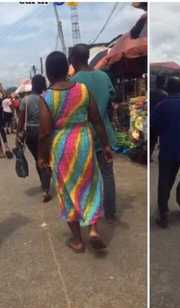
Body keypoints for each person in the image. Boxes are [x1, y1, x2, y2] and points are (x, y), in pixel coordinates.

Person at [38, 51, 112, 253]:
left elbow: (44, 132)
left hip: (61, 145)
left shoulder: (46, 97)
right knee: (90, 184)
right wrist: (105, 146)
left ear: (48, 72)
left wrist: (41, 157)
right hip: (84, 141)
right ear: (66, 68)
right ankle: (94, 230)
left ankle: (78, 240)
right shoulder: (83, 89)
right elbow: (97, 120)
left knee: (67, 190)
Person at [69, 44, 118, 222]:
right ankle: (111, 212)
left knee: (86, 176)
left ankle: (91, 213)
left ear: (73, 59)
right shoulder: (104, 76)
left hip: (84, 135)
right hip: (105, 132)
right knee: (107, 173)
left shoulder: (74, 81)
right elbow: (112, 103)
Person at [151, 77, 180, 228]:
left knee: (163, 179)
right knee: (171, 177)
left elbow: (154, 125)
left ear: (168, 88)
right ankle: (164, 206)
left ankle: (163, 212)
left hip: (166, 148)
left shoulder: (162, 106)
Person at [18, 75, 52, 203]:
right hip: (45, 131)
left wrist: (18, 137)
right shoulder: (46, 98)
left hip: (30, 133)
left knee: (38, 159)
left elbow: (21, 121)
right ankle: (46, 187)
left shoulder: (25, 100)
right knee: (45, 159)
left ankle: (45, 186)